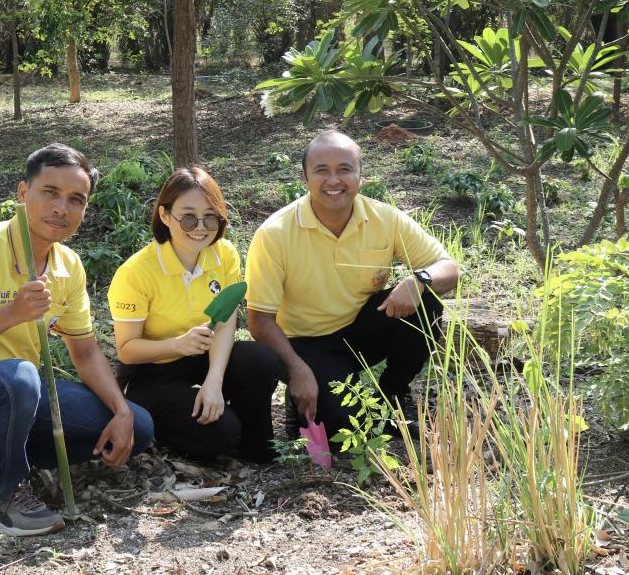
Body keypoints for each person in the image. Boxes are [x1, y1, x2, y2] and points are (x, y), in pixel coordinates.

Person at [0, 143, 154, 537]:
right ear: (23, 194)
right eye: (50, 193)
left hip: (20, 397)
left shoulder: (67, 265)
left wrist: (121, 410)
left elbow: (85, 349)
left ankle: (9, 455)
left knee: (139, 426)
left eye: (76, 199)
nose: (62, 208)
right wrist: (11, 315)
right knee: (16, 378)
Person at [245, 130, 460, 445]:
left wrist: (419, 280)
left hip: (360, 331)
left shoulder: (384, 219)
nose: (334, 180)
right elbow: (259, 319)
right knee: (343, 428)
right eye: (322, 170)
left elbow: (449, 268)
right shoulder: (275, 233)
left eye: (345, 169)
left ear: (360, 175)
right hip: (306, 344)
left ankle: (393, 395)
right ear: (305, 176)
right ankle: (306, 399)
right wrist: (297, 370)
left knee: (426, 303)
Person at [109, 167, 280, 463]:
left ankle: (255, 444)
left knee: (260, 360)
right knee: (223, 434)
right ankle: (165, 426)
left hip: (204, 359)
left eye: (210, 216)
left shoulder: (223, 253)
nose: (200, 227)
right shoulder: (136, 273)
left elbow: (225, 319)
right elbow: (127, 351)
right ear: (165, 216)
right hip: (156, 372)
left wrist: (214, 381)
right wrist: (177, 344)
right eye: (188, 216)